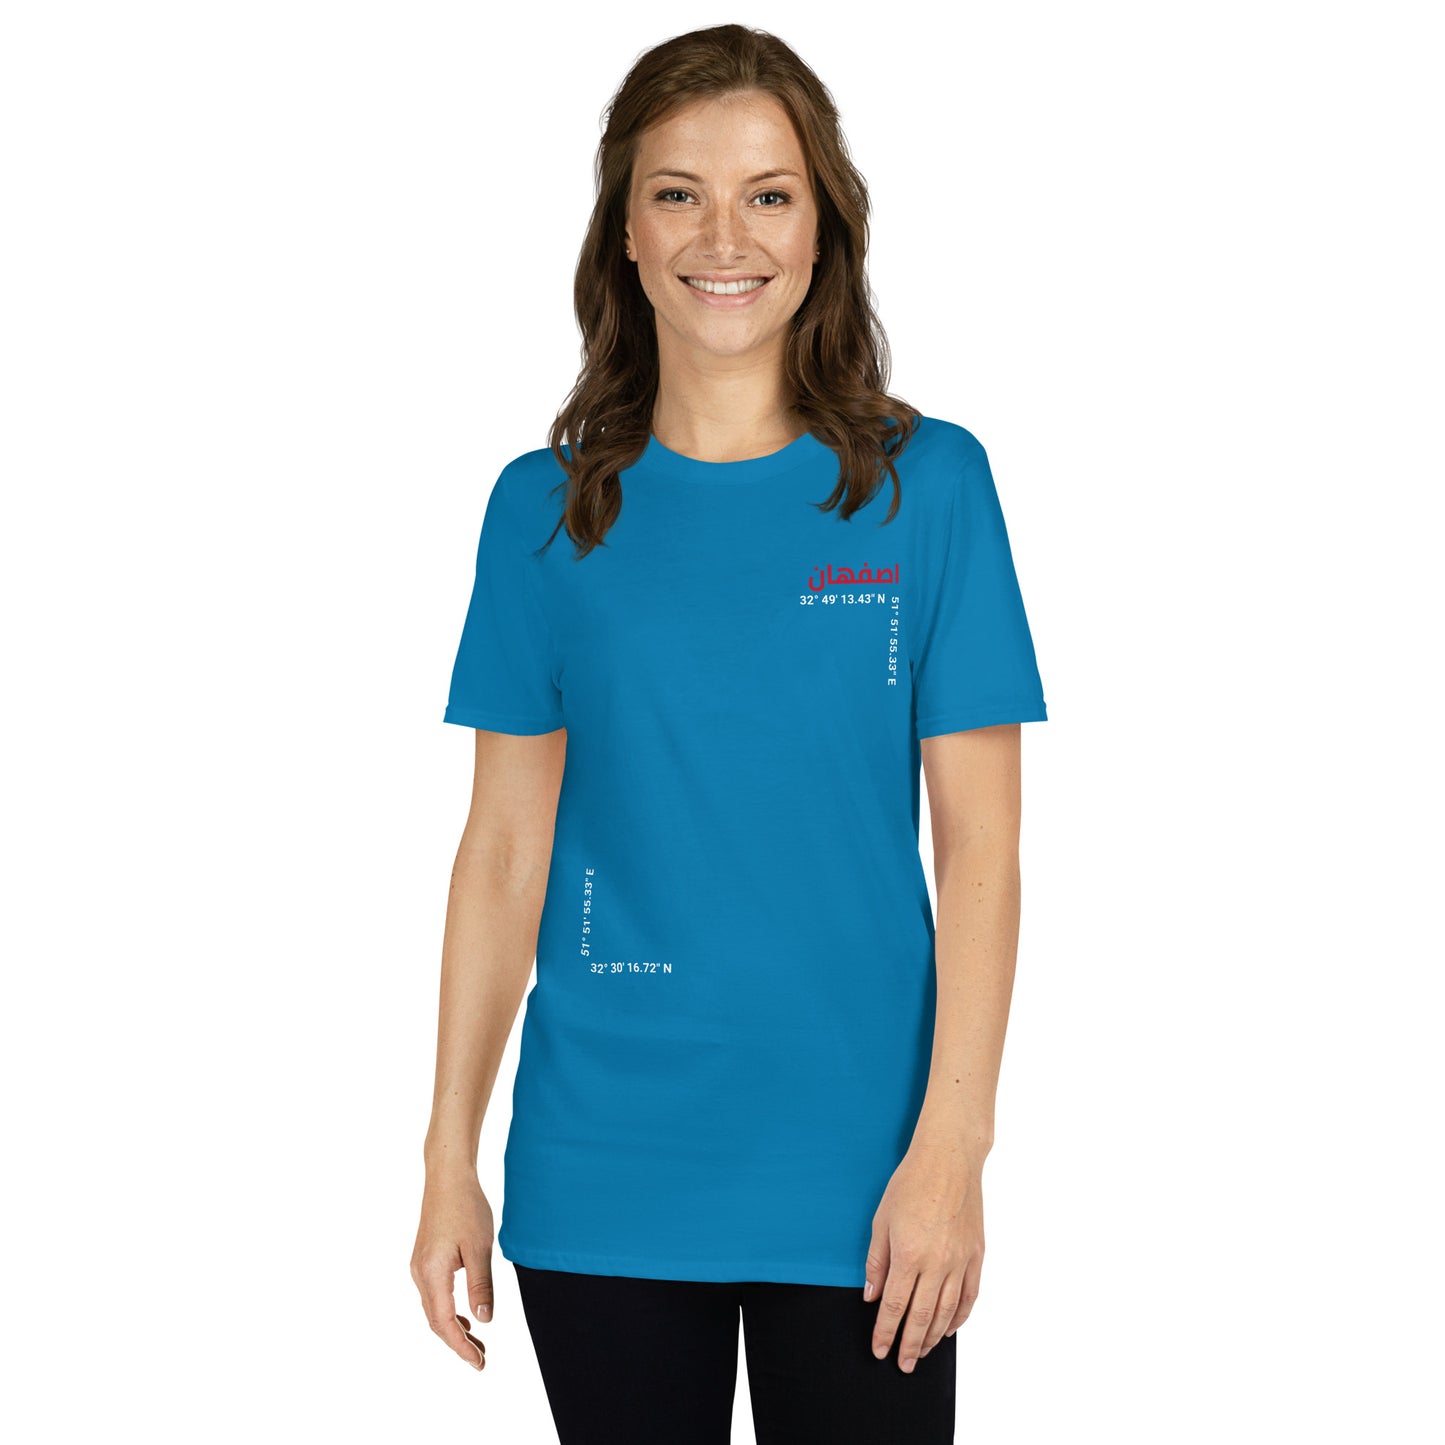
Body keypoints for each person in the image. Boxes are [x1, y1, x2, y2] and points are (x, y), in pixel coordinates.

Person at [410, 23, 1048, 1444]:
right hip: (605, 1161)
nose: (724, 236)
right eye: (676, 193)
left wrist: (954, 1146)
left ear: (823, 229)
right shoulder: (542, 511)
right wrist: (449, 1152)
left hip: (867, 1173)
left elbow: (984, 853)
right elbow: (504, 849)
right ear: (625, 234)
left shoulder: (928, 488)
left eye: (767, 193)